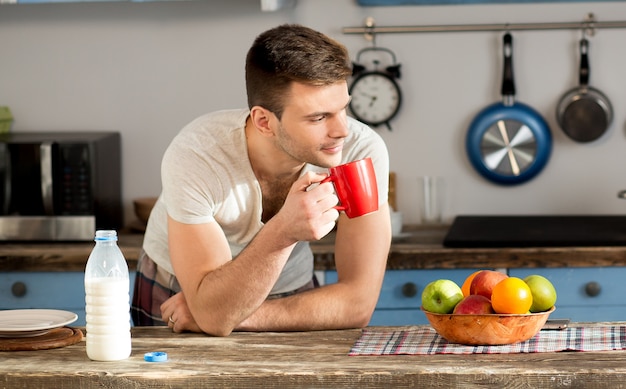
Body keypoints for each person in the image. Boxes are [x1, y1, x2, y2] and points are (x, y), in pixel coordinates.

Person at [131, 24, 391, 336]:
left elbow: (357, 303)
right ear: (264, 121)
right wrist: (284, 230)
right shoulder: (198, 155)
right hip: (179, 290)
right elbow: (211, 309)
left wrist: (233, 315)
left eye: (343, 109)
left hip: (288, 289)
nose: (343, 131)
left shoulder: (361, 151)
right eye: (319, 117)